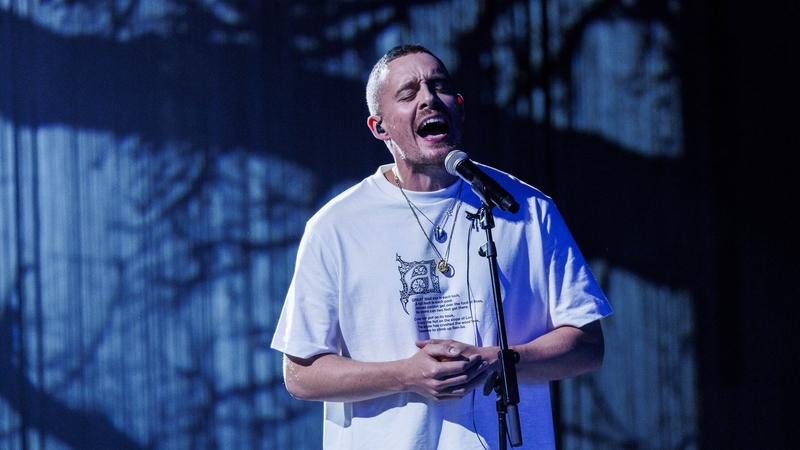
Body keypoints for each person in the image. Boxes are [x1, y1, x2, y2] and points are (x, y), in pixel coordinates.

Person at [271, 44, 613, 449]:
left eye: (439, 86)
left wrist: (496, 362)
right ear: (379, 128)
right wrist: (407, 374)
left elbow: (587, 345)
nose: (429, 99)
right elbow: (301, 374)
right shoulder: (337, 227)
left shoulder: (523, 208)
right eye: (408, 92)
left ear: (460, 107)